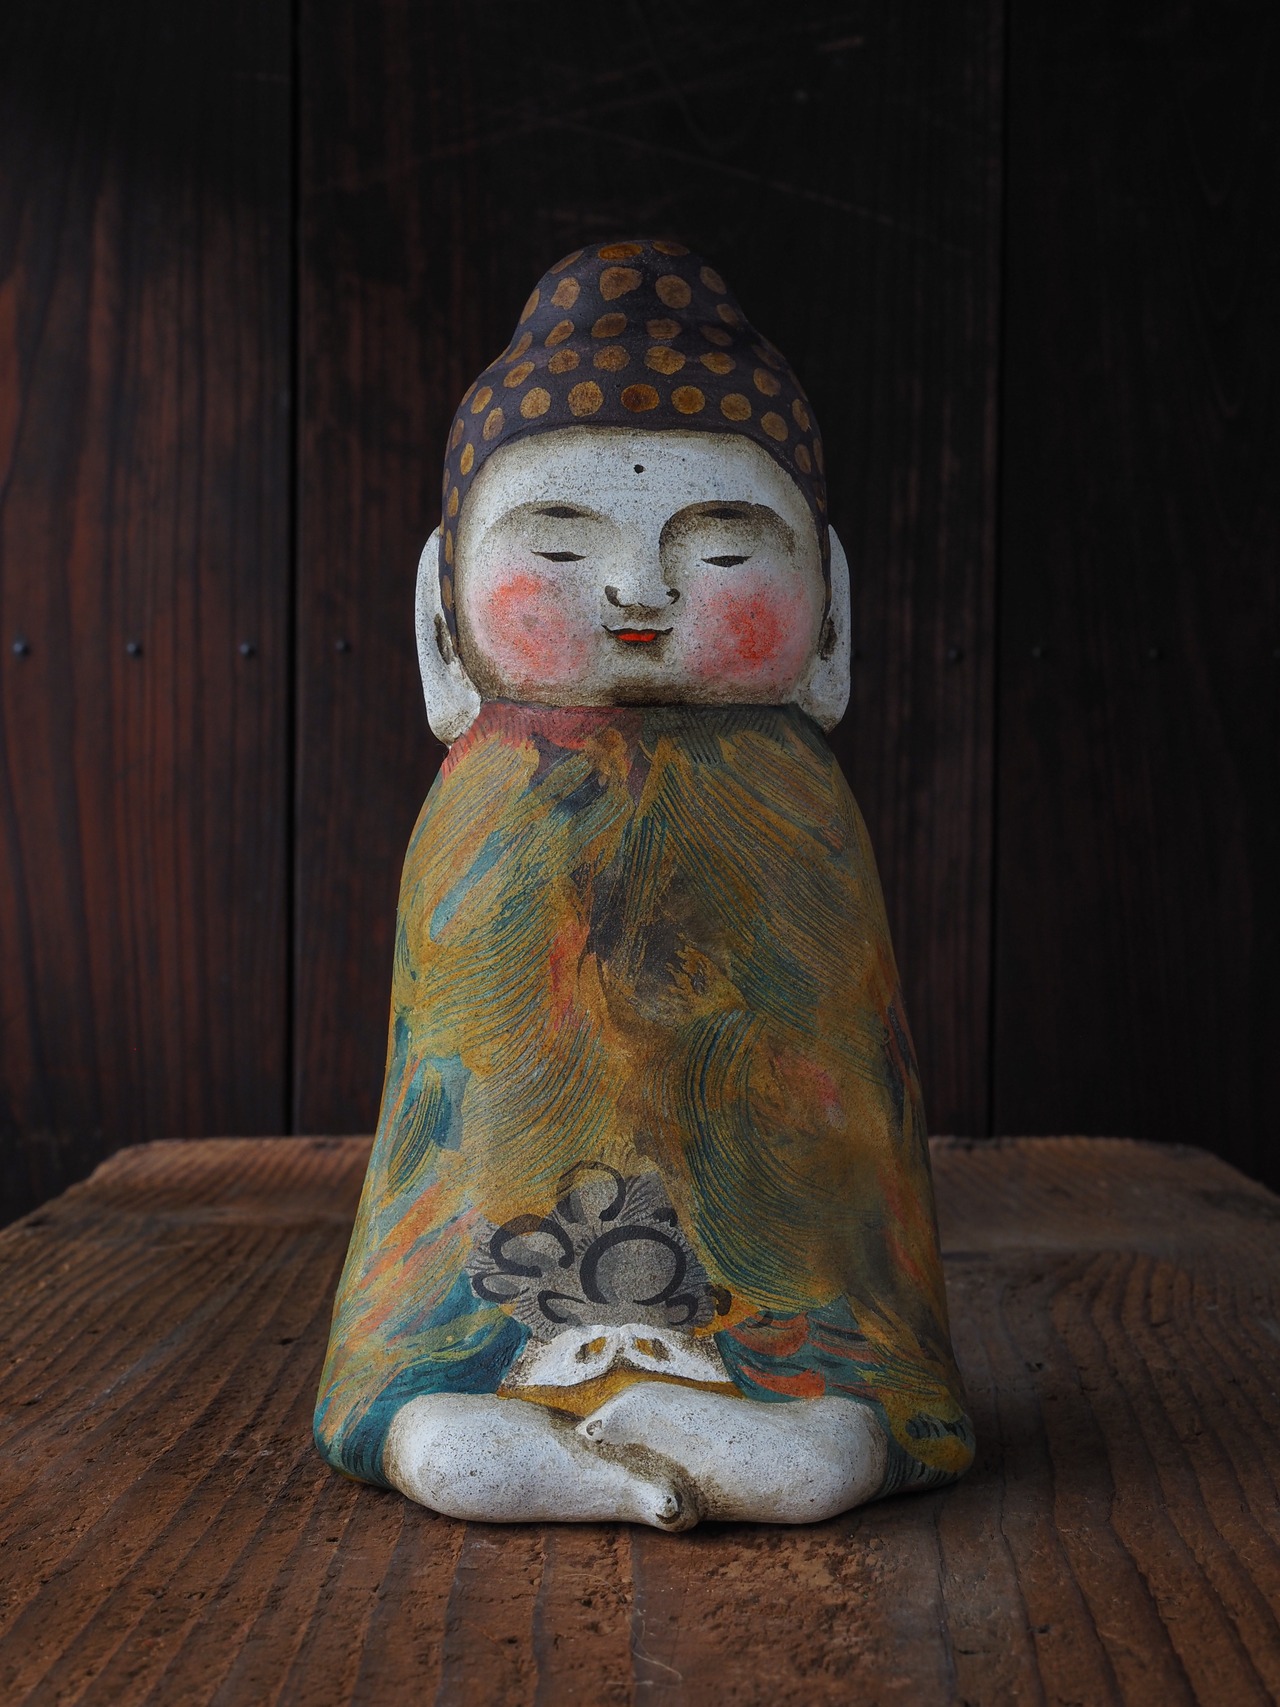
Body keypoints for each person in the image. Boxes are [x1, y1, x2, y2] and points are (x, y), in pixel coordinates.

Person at [313, 240, 973, 1528]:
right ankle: (500, 1425)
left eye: (722, 552)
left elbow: (840, 1128)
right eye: (558, 548)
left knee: (835, 1433)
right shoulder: (481, 805)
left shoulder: (799, 814)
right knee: (440, 1427)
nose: (637, 592)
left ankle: (786, 1425)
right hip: (500, 1306)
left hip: (777, 1322)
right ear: (440, 607)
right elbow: (448, 1124)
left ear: (829, 602)